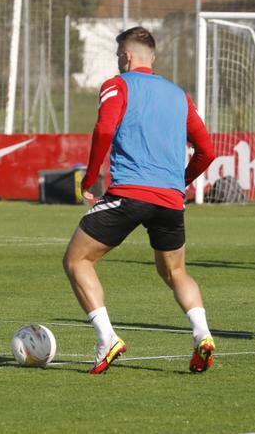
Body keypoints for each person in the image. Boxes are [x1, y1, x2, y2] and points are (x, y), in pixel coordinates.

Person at [61, 27, 217, 374]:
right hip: (170, 199)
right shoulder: (179, 95)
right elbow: (207, 151)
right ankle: (203, 334)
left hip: (130, 193)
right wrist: (181, 182)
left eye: (120, 57)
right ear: (153, 57)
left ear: (126, 56)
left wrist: (89, 179)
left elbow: (104, 130)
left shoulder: (118, 84)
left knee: (76, 261)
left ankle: (107, 339)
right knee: (175, 271)